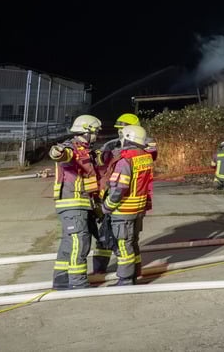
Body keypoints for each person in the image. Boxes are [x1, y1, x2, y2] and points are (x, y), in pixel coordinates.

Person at [48, 114, 103, 289]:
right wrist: (57, 152)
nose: (97, 136)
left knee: (69, 242)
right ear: (86, 132)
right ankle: (78, 283)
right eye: (95, 132)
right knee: (80, 243)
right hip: (73, 203)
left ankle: (61, 280)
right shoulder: (70, 148)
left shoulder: (87, 151)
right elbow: (60, 155)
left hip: (81, 203)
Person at [102, 123, 154, 285]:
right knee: (133, 243)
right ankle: (135, 273)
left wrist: (107, 206)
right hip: (139, 209)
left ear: (128, 138)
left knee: (124, 246)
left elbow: (120, 188)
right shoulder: (145, 157)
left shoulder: (125, 160)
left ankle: (125, 280)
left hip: (124, 210)